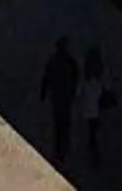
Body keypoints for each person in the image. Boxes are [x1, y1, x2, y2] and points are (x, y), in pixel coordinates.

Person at [40, 37, 81, 167]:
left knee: (60, 123)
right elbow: (75, 77)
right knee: (63, 123)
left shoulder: (55, 61)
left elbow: (46, 78)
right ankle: (62, 149)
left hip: (60, 97)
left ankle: (60, 149)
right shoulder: (69, 62)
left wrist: (43, 92)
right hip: (62, 97)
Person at [81, 45, 109, 169]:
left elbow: (82, 89)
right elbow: (105, 86)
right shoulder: (100, 71)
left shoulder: (87, 73)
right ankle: (95, 151)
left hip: (90, 105)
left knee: (92, 128)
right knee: (95, 128)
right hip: (98, 104)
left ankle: (93, 148)